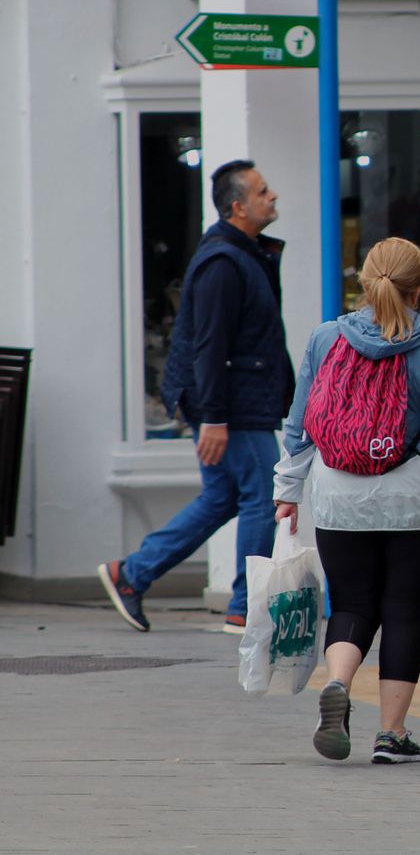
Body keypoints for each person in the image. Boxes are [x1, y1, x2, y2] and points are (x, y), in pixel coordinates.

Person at [273, 237, 420, 765]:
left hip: (338, 496)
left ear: (364, 281)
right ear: (418, 290)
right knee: (403, 611)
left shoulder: (325, 339)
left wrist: (287, 490)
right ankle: (392, 734)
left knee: (351, 604)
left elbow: (301, 421)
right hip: (415, 501)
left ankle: (337, 683)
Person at [98, 160, 292, 634]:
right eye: (263, 191)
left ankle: (132, 574)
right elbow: (210, 344)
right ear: (236, 206)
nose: (274, 197)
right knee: (263, 497)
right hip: (232, 405)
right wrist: (214, 418)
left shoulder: (242, 255)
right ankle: (245, 607)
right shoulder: (224, 263)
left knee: (222, 497)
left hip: (234, 401)